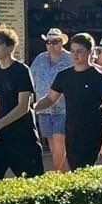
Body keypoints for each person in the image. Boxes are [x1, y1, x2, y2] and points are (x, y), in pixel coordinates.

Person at [35, 33, 102, 170]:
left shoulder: (100, 78)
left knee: (84, 166)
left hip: (93, 129)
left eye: (79, 51)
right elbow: (50, 99)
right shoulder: (64, 75)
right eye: (72, 51)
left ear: (89, 52)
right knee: (74, 167)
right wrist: (32, 107)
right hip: (71, 128)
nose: (75, 55)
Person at [0, 25, 45, 181]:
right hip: (0, 136)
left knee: (32, 182)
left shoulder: (21, 70)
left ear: (10, 47)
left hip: (22, 135)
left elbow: (23, 106)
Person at [30, 28, 72, 172]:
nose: (51, 45)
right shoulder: (40, 59)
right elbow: (31, 79)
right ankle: (62, 172)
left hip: (64, 106)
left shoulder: (70, 58)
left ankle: (56, 172)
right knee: (51, 141)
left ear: (62, 42)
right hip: (43, 107)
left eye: (55, 41)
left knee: (59, 139)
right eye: (48, 42)